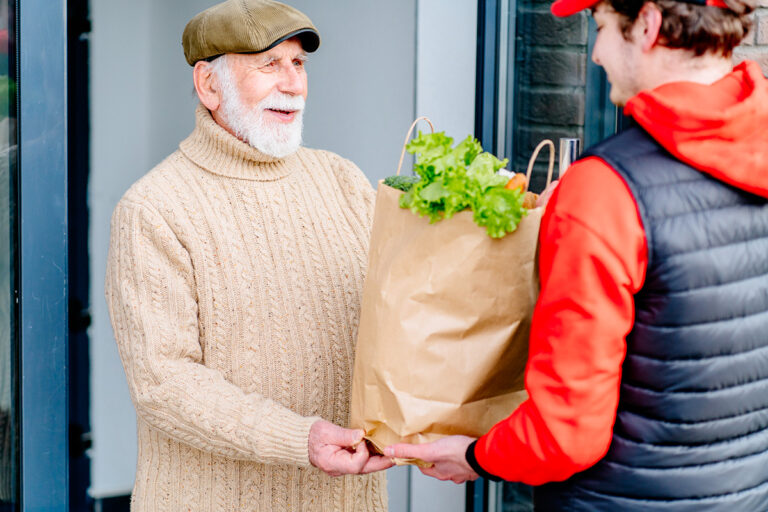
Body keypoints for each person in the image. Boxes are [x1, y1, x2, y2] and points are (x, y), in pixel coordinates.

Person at [386, 0, 768, 509]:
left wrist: (478, 455)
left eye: (602, 27)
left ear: (649, 25)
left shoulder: (607, 190)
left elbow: (567, 434)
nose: (596, 54)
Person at [104, 1, 392, 510]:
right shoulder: (153, 209)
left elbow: (397, 316)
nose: (293, 83)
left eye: (298, 64)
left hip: (348, 500)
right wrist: (298, 439)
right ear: (209, 85)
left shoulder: (343, 181)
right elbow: (163, 383)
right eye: (268, 64)